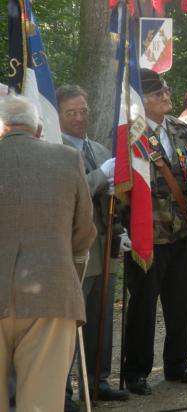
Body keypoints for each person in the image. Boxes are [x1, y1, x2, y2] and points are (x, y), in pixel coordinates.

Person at [0, 94, 96, 412]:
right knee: (41, 402)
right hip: (52, 290)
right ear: (39, 128)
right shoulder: (67, 159)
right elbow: (84, 232)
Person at [122, 69, 187, 395]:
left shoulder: (180, 129)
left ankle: (177, 363)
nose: (167, 97)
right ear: (141, 101)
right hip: (147, 234)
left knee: (181, 301)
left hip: (181, 229)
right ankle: (136, 370)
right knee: (143, 304)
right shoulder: (129, 134)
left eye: (167, 91)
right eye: (158, 94)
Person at [56, 85, 130, 410]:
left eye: (83, 110)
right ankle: (64, 392)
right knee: (72, 323)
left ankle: (97, 381)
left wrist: (122, 227)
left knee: (102, 319)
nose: (79, 118)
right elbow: (71, 193)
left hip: (106, 245)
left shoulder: (99, 149)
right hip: (76, 250)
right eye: (71, 112)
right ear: (57, 115)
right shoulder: (54, 151)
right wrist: (102, 176)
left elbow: (111, 197)